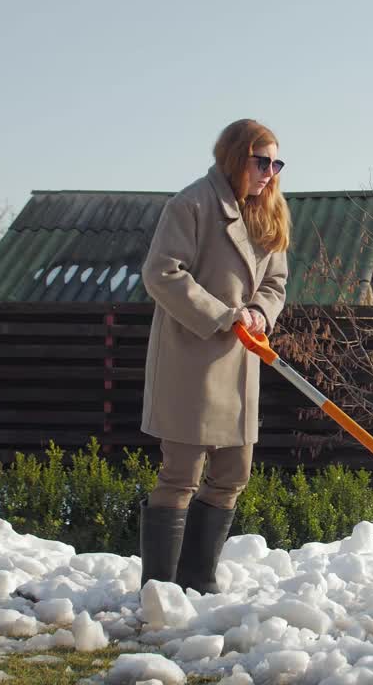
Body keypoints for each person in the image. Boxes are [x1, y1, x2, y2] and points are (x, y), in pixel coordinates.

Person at [138, 118, 290, 594]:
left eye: (276, 163)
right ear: (233, 157)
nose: (269, 172)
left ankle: (197, 581)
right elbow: (161, 273)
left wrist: (262, 313)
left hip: (242, 359)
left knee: (232, 474)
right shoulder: (191, 204)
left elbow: (275, 282)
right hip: (191, 356)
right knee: (180, 474)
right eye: (260, 161)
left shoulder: (271, 213)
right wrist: (224, 316)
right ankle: (160, 590)